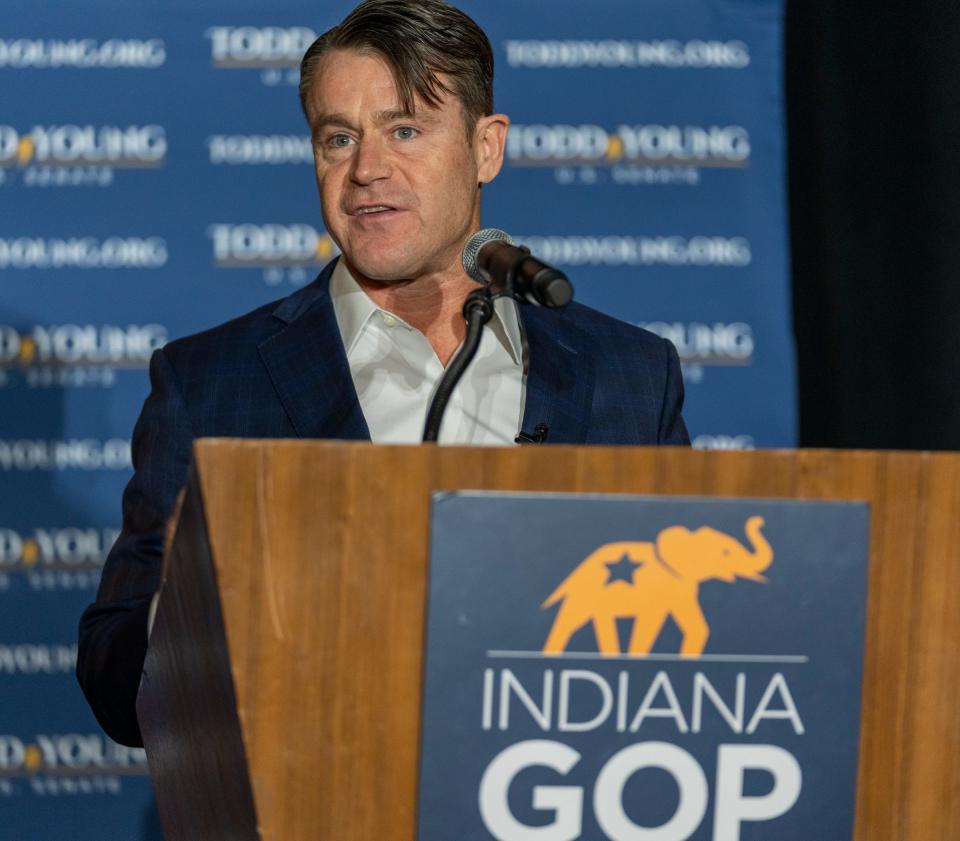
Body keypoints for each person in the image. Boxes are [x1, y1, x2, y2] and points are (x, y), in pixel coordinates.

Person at [77, 0, 689, 748]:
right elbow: (113, 682)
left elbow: (680, 649)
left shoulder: (628, 373)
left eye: (405, 129)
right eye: (338, 138)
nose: (366, 169)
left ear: (486, 147)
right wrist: (186, 604)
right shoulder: (210, 382)